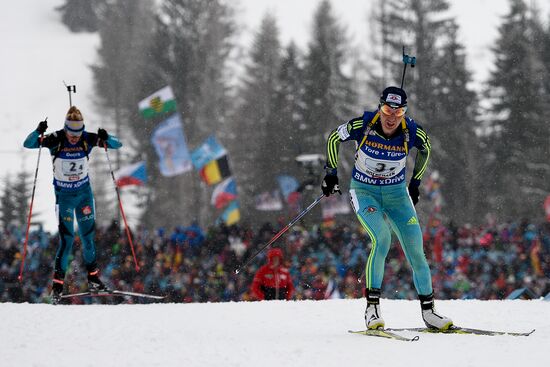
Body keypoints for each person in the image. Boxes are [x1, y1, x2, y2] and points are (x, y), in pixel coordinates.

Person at [322, 86, 453, 330]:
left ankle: (430, 313)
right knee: (382, 238)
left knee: (416, 249)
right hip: (364, 192)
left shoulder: (411, 131)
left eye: (399, 111)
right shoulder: (363, 124)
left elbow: (426, 149)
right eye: (386, 109)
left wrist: (415, 183)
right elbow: (333, 138)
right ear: (380, 107)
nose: (392, 117)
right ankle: (372, 309)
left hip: (396, 195)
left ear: (404, 112)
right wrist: (330, 174)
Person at [23, 106, 122, 304]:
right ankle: (58, 286)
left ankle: (93, 279)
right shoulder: (56, 139)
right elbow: (28, 144)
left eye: (78, 133)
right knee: (67, 240)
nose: (75, 137)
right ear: (65, 129)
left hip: (84, 195)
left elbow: (117, 145)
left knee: (88, 238)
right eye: (71, 133)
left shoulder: (88, 138)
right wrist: (38, 130)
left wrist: (106, 136)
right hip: (65, 197)